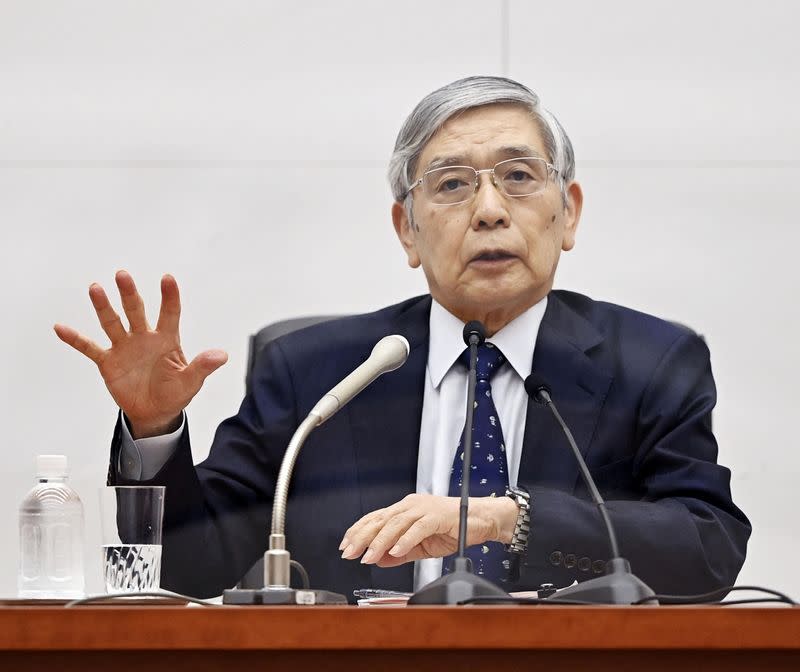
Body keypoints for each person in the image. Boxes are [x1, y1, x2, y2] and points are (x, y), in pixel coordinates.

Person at [55, 76, 750, 599]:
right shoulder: (314, 372)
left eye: (517, 177)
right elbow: (188, 563)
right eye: (451, 184)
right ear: (406, 231)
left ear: (567, 213)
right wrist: (154, 430)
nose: (488, 210)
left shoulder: (651, 362)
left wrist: (510, 520)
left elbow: (709, 552)